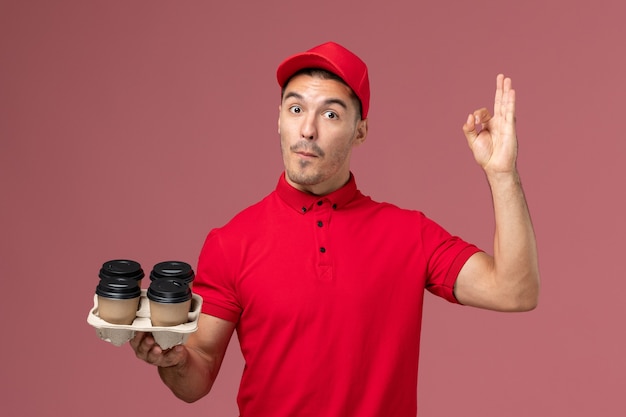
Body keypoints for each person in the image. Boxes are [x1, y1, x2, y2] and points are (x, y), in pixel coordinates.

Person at [130, 41, 540, 416]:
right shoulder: (231, 242)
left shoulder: (408, 233)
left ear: (360, 131)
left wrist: (502, 173)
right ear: (278, 120)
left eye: (330, 114)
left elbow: (514, 290)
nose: (308, 129)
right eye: (295, 109)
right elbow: (196, 376)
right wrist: (175, 360)